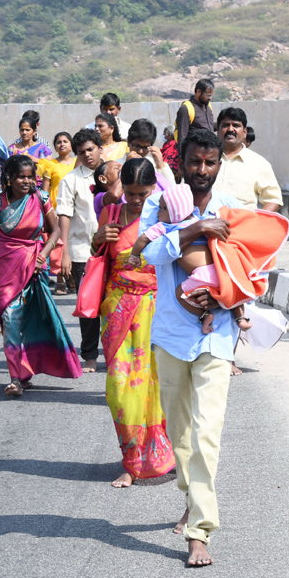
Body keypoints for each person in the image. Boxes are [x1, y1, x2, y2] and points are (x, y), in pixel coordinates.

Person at [139, 128, 241, 567]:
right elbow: (148, 254)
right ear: (181, 162)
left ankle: (200, 531)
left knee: (205, 434)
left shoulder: (233, 210)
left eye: (210, 163)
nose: (202, 170)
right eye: (195, 162)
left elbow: (253, 270)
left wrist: (222, 296)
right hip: (170, 334)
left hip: (216, 335)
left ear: (220, 164)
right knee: (181, 436)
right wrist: (196, 227)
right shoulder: (158, 204)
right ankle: (192, 495)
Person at [0, 155, 81, 396]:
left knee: (33, 320)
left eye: (30, 177)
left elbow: (55, 231)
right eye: (21, 177)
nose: (26, 181)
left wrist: (43, 255)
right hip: (6, 270)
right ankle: (15, 377)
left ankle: (25, 372)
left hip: (34, 268)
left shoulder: (40, 198)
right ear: (9, 179)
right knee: (11, 319)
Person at [92, 157, 174, 488]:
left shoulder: (166, 215)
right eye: (130, 193)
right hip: (117, 310)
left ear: (154, 187)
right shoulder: (111, 214)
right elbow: (98, 257)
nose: (137, 200)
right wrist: (98, 238)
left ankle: (159, 455)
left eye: (143, 193)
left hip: (156, 311)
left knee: (157, 386)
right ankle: (131, 459)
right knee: (119, 388)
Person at [127, 182, 257, 334]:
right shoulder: (199, 221)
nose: (158, 213)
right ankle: (241, 319)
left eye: (162, 209)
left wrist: (134, 255)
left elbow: (143, 238)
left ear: (174, 212)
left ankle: (204, 316)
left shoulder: (165, 226)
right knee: (231, 290)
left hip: (201, 276)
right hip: (220, 270)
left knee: (180, 295)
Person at [57, 128, 104, 371]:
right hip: (82, 253)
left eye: (90, 149)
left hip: (115, 253)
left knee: (116, 306)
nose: (87, 155)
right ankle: (90, 356)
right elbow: (64, 215)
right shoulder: (71, 180)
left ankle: (117, 354)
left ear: (100, 148)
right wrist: (63, 252)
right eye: (81, 152)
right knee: (88, 307)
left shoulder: (117, 174)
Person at [214, 107, 282, 213]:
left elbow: (273, 200)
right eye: (225, 125)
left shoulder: (259, 163)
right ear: (218, 130)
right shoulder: (206, 160)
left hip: (242, 227)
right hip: (206, 225)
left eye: (236, 125)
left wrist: (255, 222)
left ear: (245, 132)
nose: (230, 129)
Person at [38, 131, 76, 294]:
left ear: (71, 145)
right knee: (58, 246)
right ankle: (60, 281)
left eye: (65, 141)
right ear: (55, 146)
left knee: (73, 244)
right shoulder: (50, 165)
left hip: (76, 208)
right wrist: (48, 211)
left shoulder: (77, 163)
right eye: (59, 142)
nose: (62, 144)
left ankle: (73, 277)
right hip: (56, 210)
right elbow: (44, 192)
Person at [125, 119, 176, 190]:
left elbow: (172, 189)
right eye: (136, 146)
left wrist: (160, 165)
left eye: (145, 147)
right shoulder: (117, 165)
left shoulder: (155, 165)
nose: (140, 151)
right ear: (128, 142)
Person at [174, 78, 216, 145]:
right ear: (199, 91)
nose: (210, 98)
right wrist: (182, 155)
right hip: (195, 152)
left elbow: (208, 126)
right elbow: (182, 136)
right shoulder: (186, 108)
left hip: (209, 150)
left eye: (211, 95)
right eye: (208, 95)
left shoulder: (208, 106)